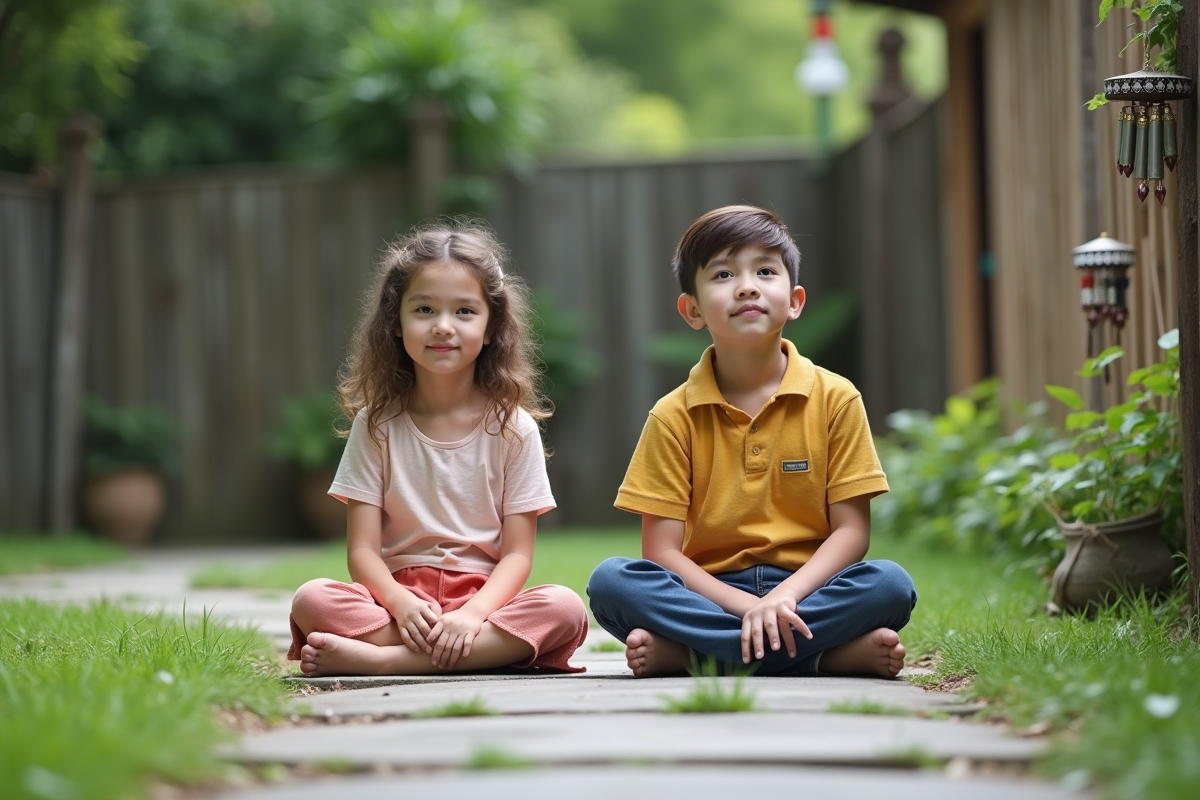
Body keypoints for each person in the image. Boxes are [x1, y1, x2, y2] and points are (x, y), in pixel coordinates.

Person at [587, 205, 916, 679]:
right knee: (612, 583)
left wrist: (783, 597)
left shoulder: (837, 399)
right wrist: (745, 607)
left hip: (809, 588)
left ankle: (697, 656)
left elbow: (851, 534)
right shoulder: (672, 415)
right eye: (722, 274)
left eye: (765, 270)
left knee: (888, 584)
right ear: (692, 309)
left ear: (795, 299)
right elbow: (661, 552)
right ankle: (823, 656)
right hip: (708, 593)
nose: (746, 285)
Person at [289, 221, 588, 676]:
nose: (443, 326)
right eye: (424, 309)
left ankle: (384, 661)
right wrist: (401, 603)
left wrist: (470, 615)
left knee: (564, 609)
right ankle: (470, 654)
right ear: (395, 322)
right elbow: (362, 552)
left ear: (491, 328)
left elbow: (517, 555)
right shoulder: (376, 425)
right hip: (397, 604)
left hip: (484, 604)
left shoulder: (515, 429)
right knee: (313, 598)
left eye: (465, 312)